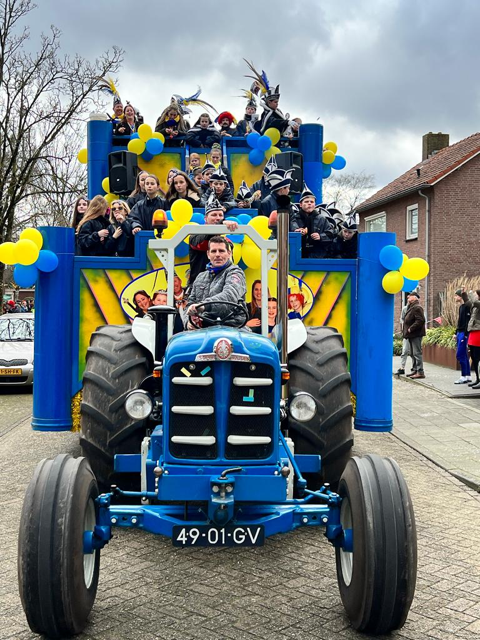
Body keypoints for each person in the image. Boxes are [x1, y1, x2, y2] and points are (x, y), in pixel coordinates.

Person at [185, 236, 247, 330]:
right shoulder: (200, 277)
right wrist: (189, 322)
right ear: (208, 254)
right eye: (214, 251)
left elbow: (229, 296)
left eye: (221, 251)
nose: (217, 255)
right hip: (203, 329)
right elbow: (190, 304)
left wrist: (203, 306)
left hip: (233, 327)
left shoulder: (235, 273)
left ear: (229, 253)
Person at [188, 197, 238, 287]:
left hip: (222, 288)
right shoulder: (194, 235)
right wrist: (221, 224)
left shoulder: (227, 242)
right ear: (205, 218)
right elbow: (203, 242)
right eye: (214, 215)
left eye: (220, 215)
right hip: (199, 289)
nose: (218, 218)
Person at [244, 60, 298, 136]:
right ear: (269, 102)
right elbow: (273, 122)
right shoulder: (266, 113)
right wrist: (287, 122)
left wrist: (291, 130)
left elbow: (282, 125)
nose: (277, 104)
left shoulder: (278, 111)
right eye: (275, 102)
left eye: (277, 102)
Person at [290, 184, 336, 258]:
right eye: (306, 201)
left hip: (317, 257)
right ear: (301, 204)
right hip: (296, 256)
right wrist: (296, 233)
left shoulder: (322, 219)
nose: (309, 203)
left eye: (311, 202)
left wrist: (320, 237)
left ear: (315, 205)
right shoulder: (293, 218)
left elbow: (331, 234)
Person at [259, 167, 294, 238]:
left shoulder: (287, 202)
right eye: (288, 188)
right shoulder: (266, 202)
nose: (288, 191)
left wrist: (295, 229)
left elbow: (292, 219)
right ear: (282, 189)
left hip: (286, 237)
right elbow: (263, 222)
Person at [403, 291, 426, 379]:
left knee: (417, 353)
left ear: (415, 297)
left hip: (416, 334)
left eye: (410, 296)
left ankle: (420, 371)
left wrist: (411, 328)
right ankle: (415, 370)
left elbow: (420, 320)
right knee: (412, 353)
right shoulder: (411, 307)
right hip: (411, 334)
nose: (408, 297)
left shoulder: (417, 307)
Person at [454, 288, 472, 384]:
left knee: (460, 354)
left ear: (460, 297)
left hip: (464, 334)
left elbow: (467, 322)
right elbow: (460, 322)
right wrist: (455, 332)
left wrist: (465, 334)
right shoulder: (461, 307)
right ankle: (468, 375)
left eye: (456, 295)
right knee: (464, 355)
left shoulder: (467, 307)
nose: (455, 297)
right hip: (459, 332)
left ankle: (463, 376)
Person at [467, 290, 480, 388]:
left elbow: (474, 302)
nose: (474, 296)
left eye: (476, 294)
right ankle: (477, 378)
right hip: (473, 331)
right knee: (474, 358)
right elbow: (468, 302)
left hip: (478, 332)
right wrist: (464, 294)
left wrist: (470, 293)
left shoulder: (478, 304)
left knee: (478, 357)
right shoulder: (476, 305)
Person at [396, 301, 412, 376]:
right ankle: (402, 367)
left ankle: (415, 368)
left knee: (414, 352)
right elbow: (401, 319)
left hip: (415, 333)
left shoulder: (418, 309)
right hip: (406, 333)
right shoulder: (404, 309)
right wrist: (405, 326)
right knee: (405, 350)